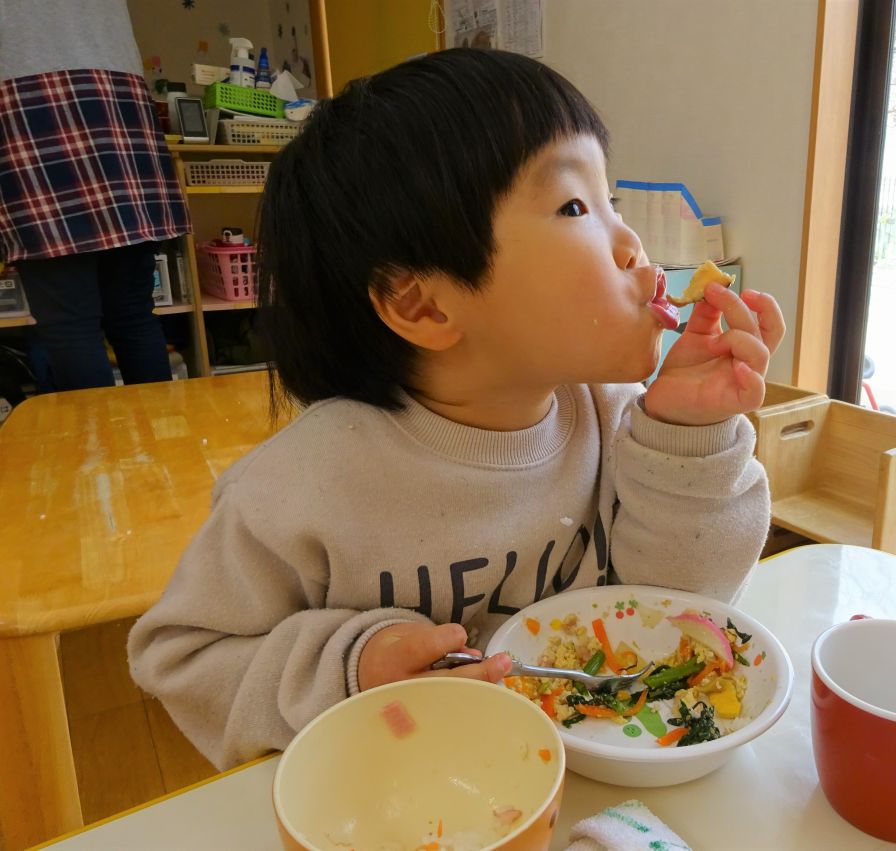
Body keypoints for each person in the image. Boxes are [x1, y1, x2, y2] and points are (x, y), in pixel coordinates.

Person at [128, 48, 784, 770]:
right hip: (399, 793)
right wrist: (349, 670)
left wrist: (687, 436)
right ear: (423, 303)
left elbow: (673, 613)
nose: (631, 245)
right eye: (575, 206)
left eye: (612, 205)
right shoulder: (301, 488)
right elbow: (181, 658)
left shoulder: (620, 421)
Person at [0, 0, 191, 390]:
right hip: (118, 102)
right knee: (133, 311)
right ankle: (162, 446)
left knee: (70, 323)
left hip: (25, 100)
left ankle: (103, 450)